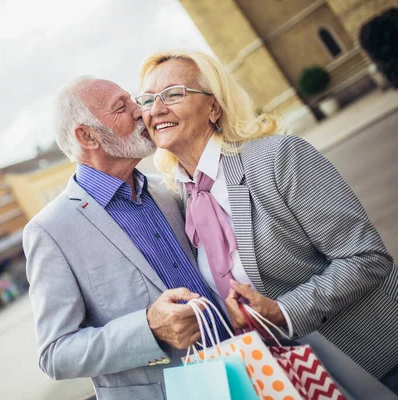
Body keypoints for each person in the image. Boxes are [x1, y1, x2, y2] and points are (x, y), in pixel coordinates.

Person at [137, 50, 398, 392]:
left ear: (214, 107)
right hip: (294, 380)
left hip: (371, 357)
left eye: (173, 94)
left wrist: (283, 310)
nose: (156, 109)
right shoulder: (181, 199)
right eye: (147, 99)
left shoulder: (279, 157)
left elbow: (366, 258)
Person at [23, 76, 231, 399]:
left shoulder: (166, 189)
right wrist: (149, 328)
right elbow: (55, 353)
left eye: (135, 101)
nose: (142, 112)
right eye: (123, 108)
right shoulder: (50, 231)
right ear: (88, 136)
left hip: (240, 368)